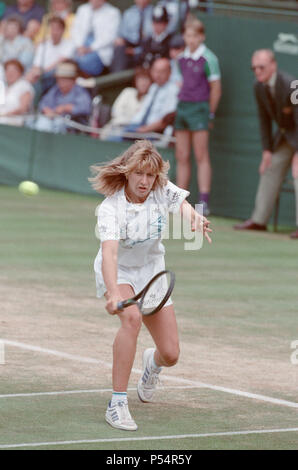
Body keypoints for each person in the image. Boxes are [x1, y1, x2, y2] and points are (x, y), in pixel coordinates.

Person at [89, 139, 212, 431]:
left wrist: (194, 218)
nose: (145, 181)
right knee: (131, 320)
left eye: (150, 175)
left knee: (171, 354)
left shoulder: (159, 189)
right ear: (127, 172)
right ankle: (117, 403)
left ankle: (151, 365)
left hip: (151, 270)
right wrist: (112, 291)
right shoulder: (110, 208)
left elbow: (181, 205)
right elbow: (110, 252)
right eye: (139, 174)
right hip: (119, 271)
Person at [234, 49, 298, 239]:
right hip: (286, 137)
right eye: (254, 68)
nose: (257, 71)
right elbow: (264, 120)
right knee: (270, 167)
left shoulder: (293, 85)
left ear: (273, 65)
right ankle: (259, 220)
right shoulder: (258, 87)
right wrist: (267, 150)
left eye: (261, 67)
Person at [174, 16, 221, 216]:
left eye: (194, 36)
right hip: (183, 108)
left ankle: (204, 202)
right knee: (182, 155)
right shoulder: (181, 59)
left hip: (200, 109)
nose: (190, 39)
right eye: (188, 35)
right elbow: (179, 83)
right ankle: (179, 200)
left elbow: (216, 88)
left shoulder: (209, 58)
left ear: (201, 37)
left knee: (201, 155)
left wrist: (210, 113)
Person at [27, 60, 92, 134]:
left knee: (57, 124)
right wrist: (47, 110)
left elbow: (85, 108)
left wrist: (66, 108)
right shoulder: (56, 89)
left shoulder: (80, 91)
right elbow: (43, 103)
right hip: (51, 121)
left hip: (71, 126)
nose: (61, 82)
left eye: (64, 79)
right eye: (59, 79)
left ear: (72, 80)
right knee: (35, 122)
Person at [124, 58, 179, 139]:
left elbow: (167, 120)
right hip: (137, 126)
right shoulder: (153, 87)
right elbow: (143, 111)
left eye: (161, 72)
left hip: (154, 132)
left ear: (169, 73)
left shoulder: (174, 90)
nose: (157, 75)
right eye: (155, 71)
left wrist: (145, 129)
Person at [26, 16, 75, 97]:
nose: (54, 32)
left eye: (57, 29)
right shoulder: (43, 44)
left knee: (40, 77)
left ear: (63, 30)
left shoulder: (69, 44)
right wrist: (33, 74)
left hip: (56, 75)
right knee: (30, 77)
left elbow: (60, 62)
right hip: (41, 75)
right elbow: (36, 65)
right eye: (52, 28)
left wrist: (41, 72)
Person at [100, 67, 152, 140]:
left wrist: (130, 125)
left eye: (146, 80)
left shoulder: (150, 99)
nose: (143, 83)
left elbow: (141, 121)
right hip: (115, 127)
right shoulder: (127, 92)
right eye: (140, 79)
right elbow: (116, 111)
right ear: (135, 81)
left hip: (134, 134)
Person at [72, 0, 121, 77]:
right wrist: (79, 46)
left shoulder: (113, 12)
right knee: (68, 59)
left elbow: (109, 37)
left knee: (83, 61)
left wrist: (90, 48)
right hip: (80, 48)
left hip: (99, 51)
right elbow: (76, 30)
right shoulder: (82, 9)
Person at [110, 0, 154, 73]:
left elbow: (155, 38)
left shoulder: (154, 12)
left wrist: (135, 51)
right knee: (119, 48)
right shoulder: (129, 13)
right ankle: (117, 78)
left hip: (146, 47)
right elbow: (121, 35)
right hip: (130, 46)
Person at [0, 59, 34, 126]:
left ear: (20, 72)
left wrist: (5, 115)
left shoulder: (25, 86)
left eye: (13, 71)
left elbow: (23, 109)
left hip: (14, 122)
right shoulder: (3, 87)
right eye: (7, 70)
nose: (10, 73)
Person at [138, 5, 173, 69]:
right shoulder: (147, 41)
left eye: (160, 23)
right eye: (155, 22)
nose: (157, 26)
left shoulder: (170, 41)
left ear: (166, 23)